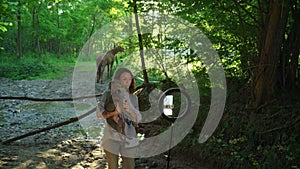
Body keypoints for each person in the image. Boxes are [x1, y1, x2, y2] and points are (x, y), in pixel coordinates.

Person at [96, 67, 141, 169]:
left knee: (130, 166)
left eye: (129, 79)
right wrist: (114, 113)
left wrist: (129, 109)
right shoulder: (108, 94)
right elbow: (99, 114)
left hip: (129, 138)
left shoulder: (133, 98)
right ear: (117, 80)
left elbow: (138, 118)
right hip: (110, 137)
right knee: (112, 167)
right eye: (124, 79)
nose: (127, 82)